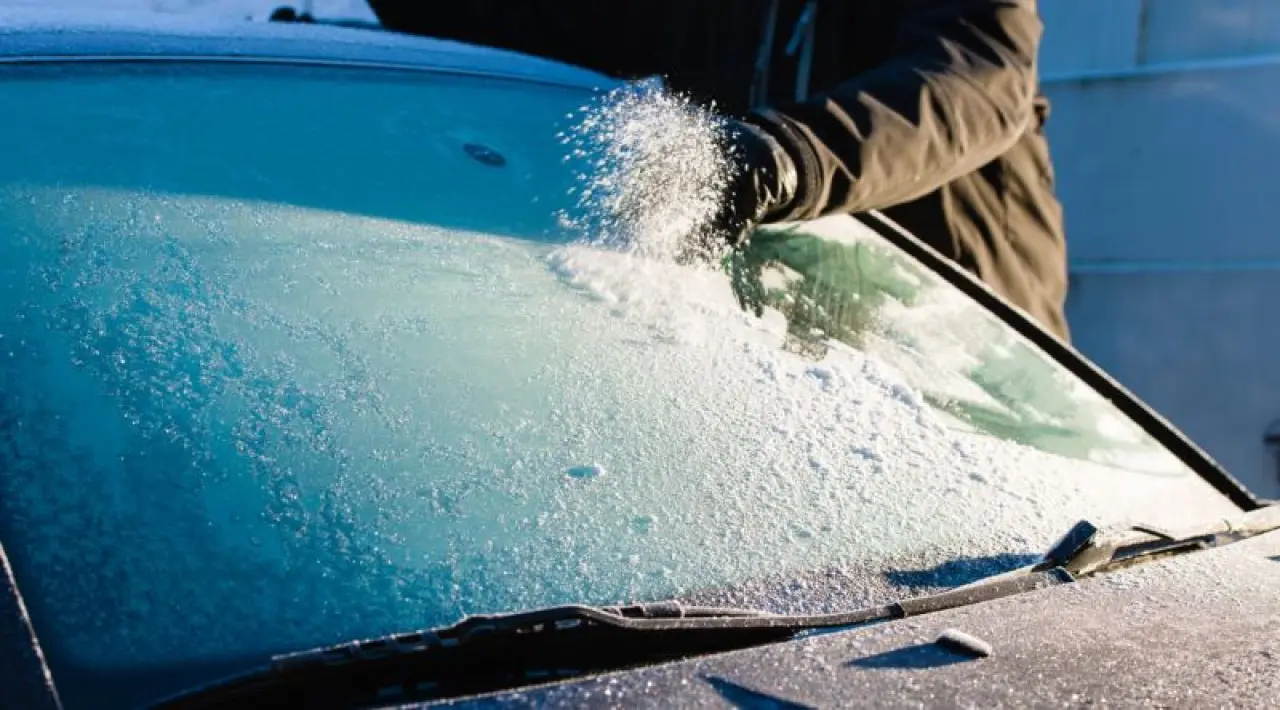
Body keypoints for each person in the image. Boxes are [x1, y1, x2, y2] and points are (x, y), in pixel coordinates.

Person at [367, 0, 1070, 341]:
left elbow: (978, 79)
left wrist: (782, 156)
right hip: (803, 346)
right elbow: (539, 25)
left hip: (970, 334)